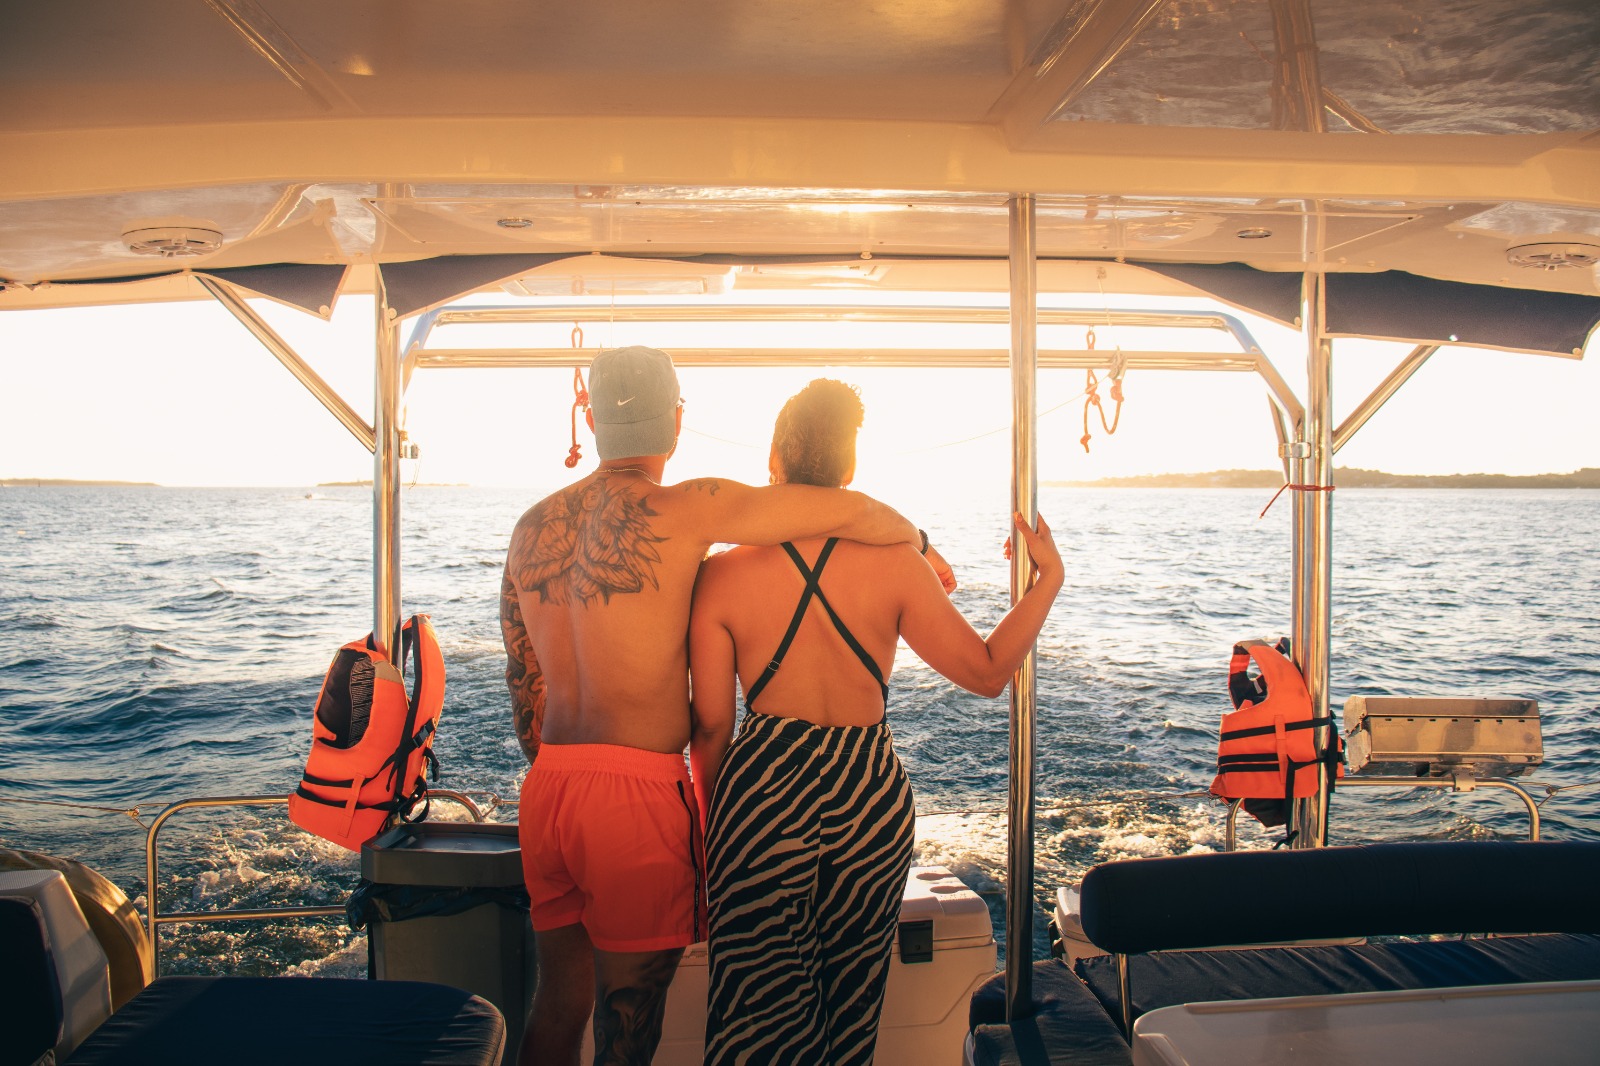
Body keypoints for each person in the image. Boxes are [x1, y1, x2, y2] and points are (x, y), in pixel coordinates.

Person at [501, 348, 920, 1066]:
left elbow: (523, 681)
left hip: (549, 791)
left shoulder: (531, 526)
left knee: (559, 1002)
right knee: (627, 1027)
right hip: (632, 797)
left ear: (592, 418)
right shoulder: (686, 508)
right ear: (678, 420)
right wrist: (917, 544)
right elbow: (851, 510)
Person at [689, 379, 1064, 1065]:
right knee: (851, 1010)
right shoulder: (897, 562)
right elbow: (985, 673)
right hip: (868, 794)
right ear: (850, 470)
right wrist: (1047, 582)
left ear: (773, 459)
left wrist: (718, 835)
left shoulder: (723, 575)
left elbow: (711, 728)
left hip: (763, 793)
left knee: (756, 1014)